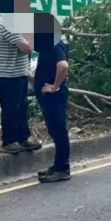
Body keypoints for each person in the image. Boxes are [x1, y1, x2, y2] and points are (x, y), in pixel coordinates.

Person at [0, 13, 39, 155]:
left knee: (22, 107)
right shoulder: (8, 24)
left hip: (18, 73)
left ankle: (23, 139)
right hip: (7, 75)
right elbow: (26, 48)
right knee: (11, 108)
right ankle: (9, 142)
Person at [32, 32, 71, 183]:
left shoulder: (55, 44)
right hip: (49, 97)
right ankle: (58, 166)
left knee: (59, 130)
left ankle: (62, 169)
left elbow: (63, 66)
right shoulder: (48, 45)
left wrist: (54, 87)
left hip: (54, 96)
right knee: (55, 130)